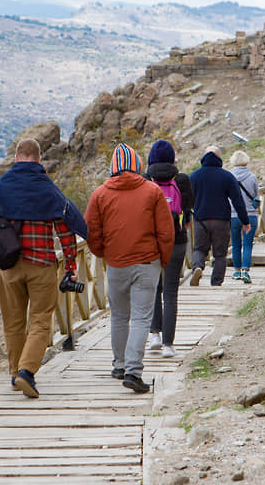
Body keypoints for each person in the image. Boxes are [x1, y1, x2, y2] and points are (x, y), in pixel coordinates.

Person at [0, 138, 87, 398]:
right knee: (41, 321)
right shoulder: (46, 188)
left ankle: (14, 374)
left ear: (16, 157)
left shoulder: (1, 187)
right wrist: (70, 264)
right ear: (39, 159)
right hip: (41, 263)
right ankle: (27, 372)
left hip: (9, 266)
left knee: (13, 322)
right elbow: (65, 227)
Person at [85, 143, 174, 393]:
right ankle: (134, 371)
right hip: (147, 263)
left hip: (116, 264)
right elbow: (165, 232)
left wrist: (105, 253)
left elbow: (91, 232)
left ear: (113, 166)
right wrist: (162, 260)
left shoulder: (100, 194)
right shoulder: (152, 191)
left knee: (119, 315)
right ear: (137, 165)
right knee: (141, 317)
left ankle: (119, 365)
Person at [144, 140, 193, 358]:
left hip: (151, 242)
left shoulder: (144, 181)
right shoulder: (182, 180)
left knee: (154, 288)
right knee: (171, 292)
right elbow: (189, 215)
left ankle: (154, 335)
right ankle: (168, 345)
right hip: (177, 240)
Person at [188, 145, 250, 287]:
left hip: (200, 219)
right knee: (220, 254)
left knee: (199, 249)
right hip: (221, 220)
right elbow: (238, 201)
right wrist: (245, 221)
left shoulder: (194, 176)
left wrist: (187, 217)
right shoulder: (227, 176)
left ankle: (197, 267)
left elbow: (187, 200)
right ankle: (216, 282)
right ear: (220, 158)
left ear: (203, 157)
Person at [227, 150, 259, 284]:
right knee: (247, 244)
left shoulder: (228, 176)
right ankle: (245, 271)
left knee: (235, 244)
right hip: (250, 214)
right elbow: (256, 194)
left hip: (233, 214)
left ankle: (236, 270)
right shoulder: (252, 177)